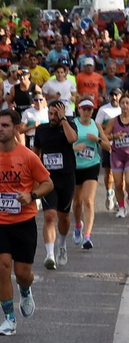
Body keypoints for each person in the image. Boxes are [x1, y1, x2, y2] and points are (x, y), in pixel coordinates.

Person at [0, 108, 52, 336]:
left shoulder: (27, 156)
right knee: (2, 267)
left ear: (17, 128)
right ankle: (9, 318)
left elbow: (47, 183)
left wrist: (31, 196)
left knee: (23, 272)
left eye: (5, 125)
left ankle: (25, 290)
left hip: (24, 222)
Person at [31, 99, 77, 270]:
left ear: (62, 114)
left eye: (55, 114)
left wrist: (64, 120)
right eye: (50, 113)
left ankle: (62, 245)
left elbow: (72, 139)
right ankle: (50, 254)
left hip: (66, 178)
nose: (52, 117)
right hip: (48, 179)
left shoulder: (70, 125)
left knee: (63, 217)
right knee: (50, 216)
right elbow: (35, 153)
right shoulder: (41, 129)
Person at [72, 95, 104, 250]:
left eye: (89, 109)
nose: (87, 112)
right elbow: (62, 145)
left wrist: (97, 140)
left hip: (92, 165)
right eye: (84, 109)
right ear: (79, 109)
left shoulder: (96, 125)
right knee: (77, 202)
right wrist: (74, 148)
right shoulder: (73, 124)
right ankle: (78, 225)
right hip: (75, 167)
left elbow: (108, 147)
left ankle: (87, 237)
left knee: (88, 201)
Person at [105, 98, 129, 217]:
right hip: (117, 155)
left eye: (127, 103)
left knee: (128, 182)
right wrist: (115, 136)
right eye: (123, 103)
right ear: (119, 105)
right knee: (118, 184)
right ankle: (121, 208)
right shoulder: (114, 121)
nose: (125, 105)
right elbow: (105, 136)